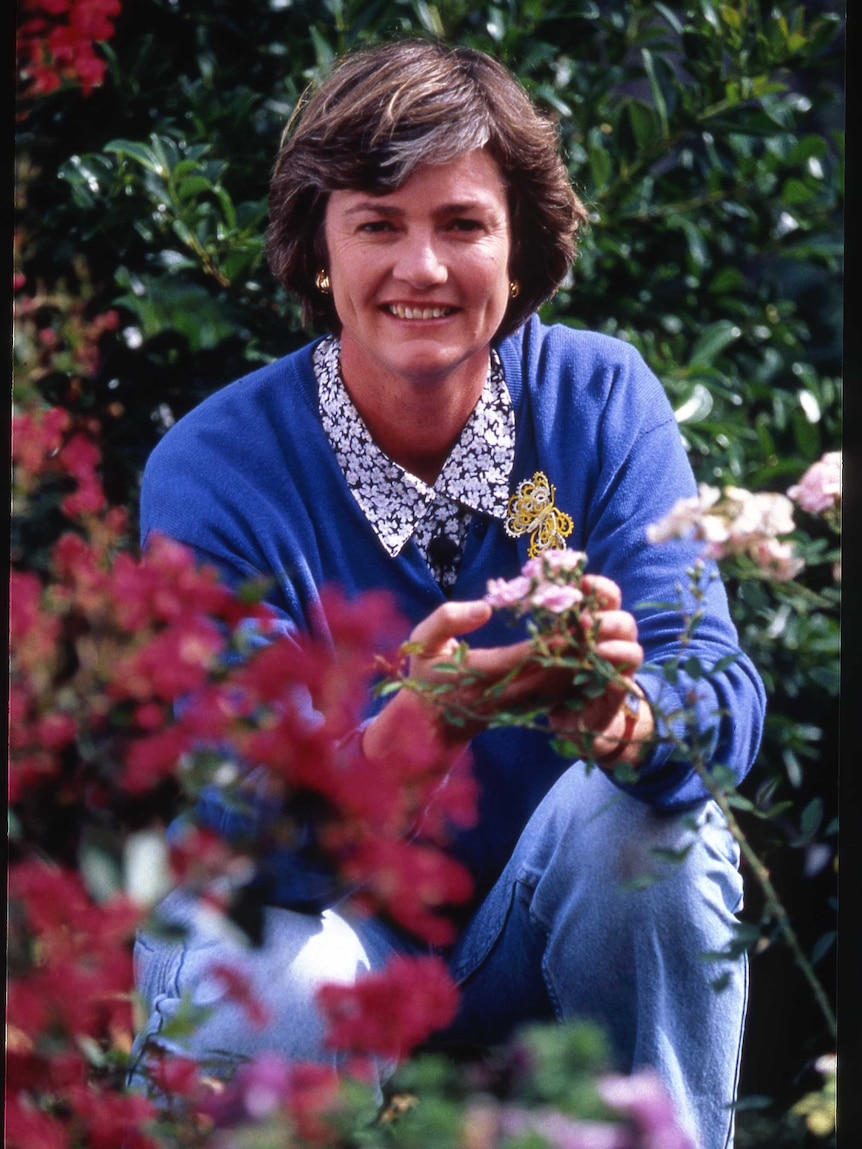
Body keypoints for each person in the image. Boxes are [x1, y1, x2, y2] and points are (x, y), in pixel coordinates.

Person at [130, 39, 765, 1149]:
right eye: (378, 223)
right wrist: (417, 729)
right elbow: (235, 816)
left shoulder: (599, 402)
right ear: (318, 249)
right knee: (261, 959)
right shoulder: (212, 467)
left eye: (462, 224)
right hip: (317, 929)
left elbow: (715, 684)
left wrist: (635, 719)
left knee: (655, 828)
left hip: (537, 933)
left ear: (518, 252)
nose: (420, 267)